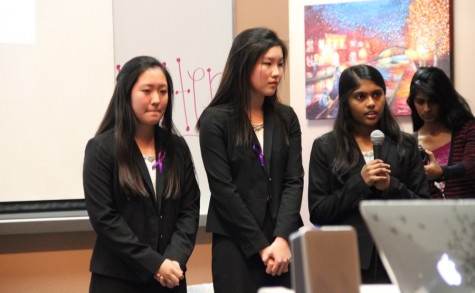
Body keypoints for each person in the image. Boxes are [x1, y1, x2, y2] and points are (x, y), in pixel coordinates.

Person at [197, 27, 304, 293]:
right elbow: (223, 190)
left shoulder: (286, 117)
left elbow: (294, 180)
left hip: (283, 246)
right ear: (243, 65)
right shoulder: (215, 120)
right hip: (236, 244)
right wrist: (261, 245)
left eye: (280, 64)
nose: (276, 72)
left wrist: (281, 239)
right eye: (267, 64)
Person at [83, 56, 200, 293]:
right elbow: (105, 219)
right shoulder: (101, 148)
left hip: (171, 277)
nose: (157, 99)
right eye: (147, 91)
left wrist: (173, 261)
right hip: (118, 279)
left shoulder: (177, 148)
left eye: (163, 91)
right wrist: (155, 264)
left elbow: (189, 212)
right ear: (126, 94)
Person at [308, 64, 430, 284]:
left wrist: (391, 186)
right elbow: (318, 212)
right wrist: (359, 183)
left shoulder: (406, 145)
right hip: (345, 260)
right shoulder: (325, 146)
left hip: (399, 259)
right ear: (346, 101)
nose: (371, 103)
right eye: (360, 96)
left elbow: (424, 208)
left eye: (377, 94)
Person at [407, 66, 475, 199]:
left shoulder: (468, 130)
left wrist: (442, 172)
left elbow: (472, 165)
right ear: (413, 103)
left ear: (444, 99)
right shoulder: (410, 142)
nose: (426, 109)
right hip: (430, 217)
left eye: (433, 101)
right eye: (420, 102)